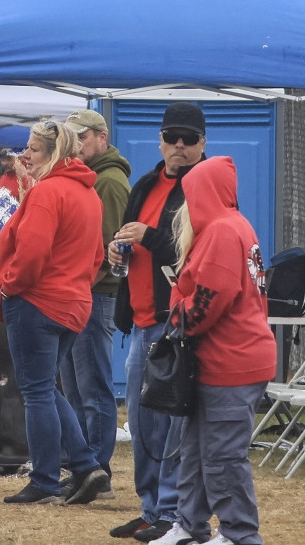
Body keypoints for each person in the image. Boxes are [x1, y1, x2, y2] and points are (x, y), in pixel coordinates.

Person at [151, 156, 275, 545]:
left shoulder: (221, 231)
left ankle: (239, 535)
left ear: (201, 192)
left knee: (221, 458)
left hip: (229, 363)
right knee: (197, 452)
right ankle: (190, 526)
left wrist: (176, 312)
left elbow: (207, 302)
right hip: (227, 360)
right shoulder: (235, 225)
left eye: (190, 193)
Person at [0, 119, 110, 506]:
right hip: (73, 304)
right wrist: (74, 285)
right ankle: (88, 466)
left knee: (37, 390)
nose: (25, 155)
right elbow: (97, 257)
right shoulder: (87, 194)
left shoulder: (48, 193)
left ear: (55, 152)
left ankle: (44, 479)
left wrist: (8, 284)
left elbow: (33, 254)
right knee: (46, 388)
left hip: (36, 302)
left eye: (34, 149)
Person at [108, 102, 207, 542]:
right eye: (172, 137)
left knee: (170, 424)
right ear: (161, 140)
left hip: (177, 323)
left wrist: (149, 238)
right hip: (143, 319)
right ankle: (152, 508)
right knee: (144, 422)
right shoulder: (146, 183)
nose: (179, 147)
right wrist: (117, 250)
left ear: (203, 143)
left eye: (189, 139)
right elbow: (129, 237)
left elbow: (199, 252)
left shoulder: (205, 187)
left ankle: (171, 511)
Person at [60, 109, 131, 497]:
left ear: (102, 137)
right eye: (74, 137)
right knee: (76, 388)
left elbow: (109, 250)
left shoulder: (109, 181)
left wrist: (78, 280)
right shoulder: (93, 178)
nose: (78, 144)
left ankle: (97, 469)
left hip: (95, 294)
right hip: (83, 293)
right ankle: (84, 467)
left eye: (83, 137)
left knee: (92, 389)